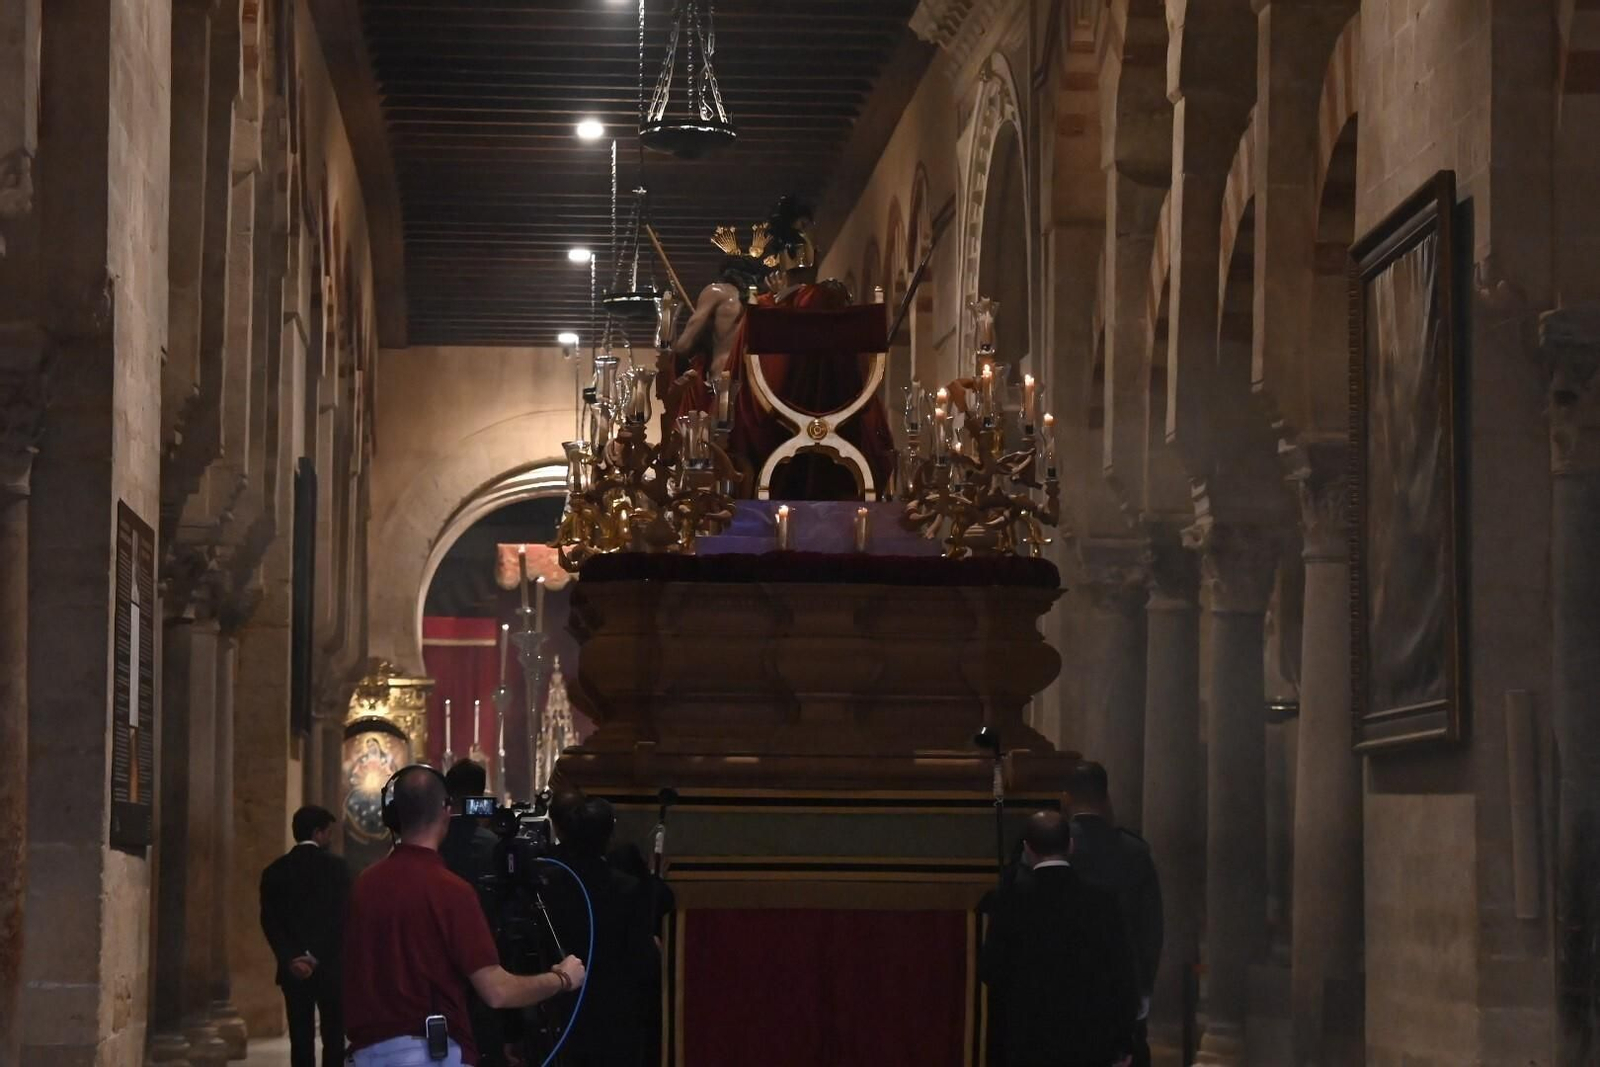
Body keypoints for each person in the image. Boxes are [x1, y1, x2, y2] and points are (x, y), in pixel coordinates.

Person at [343, 766, 585, 1067]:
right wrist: (561, 978)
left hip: (365, 1053)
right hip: (427, 1054)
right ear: (447, 810)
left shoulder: (364, 884)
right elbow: (497, 991)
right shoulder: (451, 890)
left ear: (392, 816)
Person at [980, 811, 1140, 1067]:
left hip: (1027, 1043)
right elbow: (1122, 976)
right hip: (1089, 1044)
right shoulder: (1101, 903)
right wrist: (1123, 1042)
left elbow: (990, 970)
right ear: (1071, 845)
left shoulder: (1009, 903)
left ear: (1027, 850)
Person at [541, 792, 659, 1067]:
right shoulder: (628, 888)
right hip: (616, 1016)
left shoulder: (549, 883)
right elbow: (642, 959)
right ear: (609, 835)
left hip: (562, 1008)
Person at [1064, 761, 1163, 1067]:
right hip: (1122, 990)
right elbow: (1151, 930)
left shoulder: (1056, 847)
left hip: (1066, 989)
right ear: (1106, 799)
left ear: (1066, 798)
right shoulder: (1135, 852)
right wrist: (1143, 989)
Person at [259, 805, 351, 1067]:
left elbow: (270, 921)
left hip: (293, 970)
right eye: (328, 832)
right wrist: (316, 955)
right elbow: (343, 918)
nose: (330, 838)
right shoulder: (337, 868)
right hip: (329, 967)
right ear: (318, 833)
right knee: (334, 1037)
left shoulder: (275, 871)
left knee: (300, 1039)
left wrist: (292, 957)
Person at [439, 759, 508, 1067]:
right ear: (481, 794)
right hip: (487, 951)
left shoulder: (434, 841)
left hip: (439, 955)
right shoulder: (493, 844)